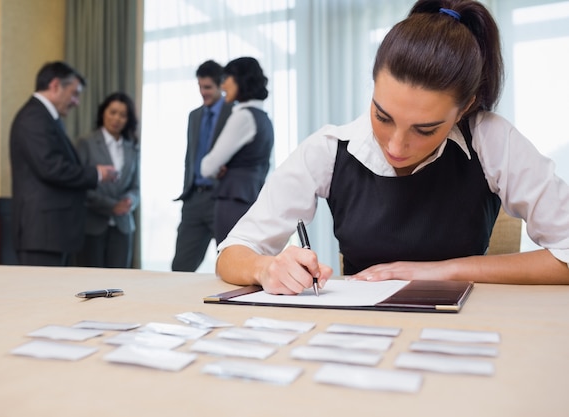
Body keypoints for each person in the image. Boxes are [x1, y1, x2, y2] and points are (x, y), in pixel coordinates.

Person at [215, 0, 569, 294]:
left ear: (464, 107)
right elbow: (232, 253)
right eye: (382, 116)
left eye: (425, 129)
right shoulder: (330, 149)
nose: (397, 145)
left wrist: (441, 272)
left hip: (463, 327)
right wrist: (266, 267)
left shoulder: (490, 139)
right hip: (360, 331)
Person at [10, 61, 117, 267]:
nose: (76, 102)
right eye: (74, 93)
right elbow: (50, 168)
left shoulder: (46, 117)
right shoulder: (34, 117)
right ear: (55, 86)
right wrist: (96, 174)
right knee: (42, 297)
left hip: (51, 233)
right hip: (41, 234)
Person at [201, 56, 274, 244]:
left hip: (233, 201)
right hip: (252, 199)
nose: (223, 86)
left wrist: (220, 168)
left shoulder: (242, 117)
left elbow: (207, 167)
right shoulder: (264, 118)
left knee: (229, 263)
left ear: (240, 79)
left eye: (226, 79)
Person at [171, 60, 234, 272]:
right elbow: (190, 156)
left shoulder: (235, 113)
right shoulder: (194, 115)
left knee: (229, 266)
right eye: (200, 86)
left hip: (222, 197)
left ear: (220, 86)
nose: (203, 92)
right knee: (180, 266)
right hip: (194, 199)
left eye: (207, 87)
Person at [76, 92, 140, 268]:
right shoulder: (86, 143)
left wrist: (129, 201)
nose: (117, 118)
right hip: (93, 225)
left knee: (119, 284)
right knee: (92, 281)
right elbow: (79, 184)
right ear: (103, 112)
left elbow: (136, 187)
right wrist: (111, 206)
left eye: (123, 115)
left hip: (123, 226)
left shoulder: (132, 148)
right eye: (113, 112)